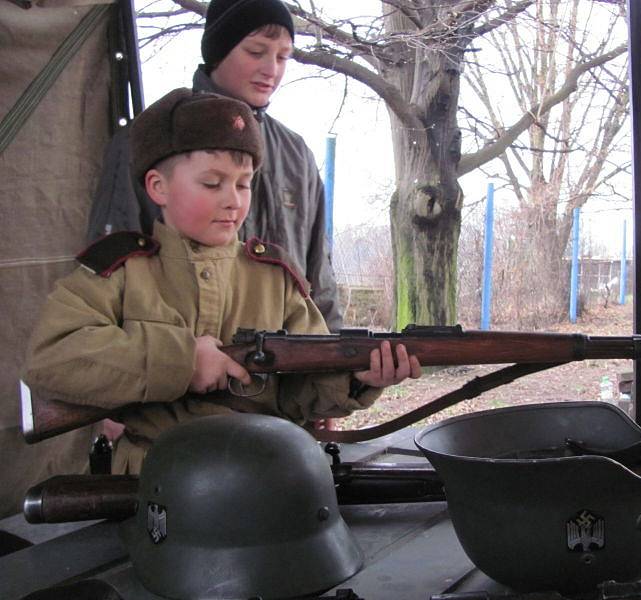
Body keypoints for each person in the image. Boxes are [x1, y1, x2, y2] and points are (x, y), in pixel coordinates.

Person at [24, 88, 421, 474]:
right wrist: (183, 362)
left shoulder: (273, 277)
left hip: (260, 480)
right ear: (157, 187)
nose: (233, 200)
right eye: (212, 184)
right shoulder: (122, 270)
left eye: (244, 183)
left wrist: (356, 378)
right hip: (151, 483)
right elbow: (53, 357)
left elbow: (300, 393)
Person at [87, 0, 343, 330]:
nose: (272, 69)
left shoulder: (297, 154)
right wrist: (172, 359)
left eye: (283, 56)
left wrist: (349, 368)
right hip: (174, 363)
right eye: (256, 51)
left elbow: (318, 281)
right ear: (218, 51)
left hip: (283, 374)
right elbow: (109, 270)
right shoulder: (146, 140)